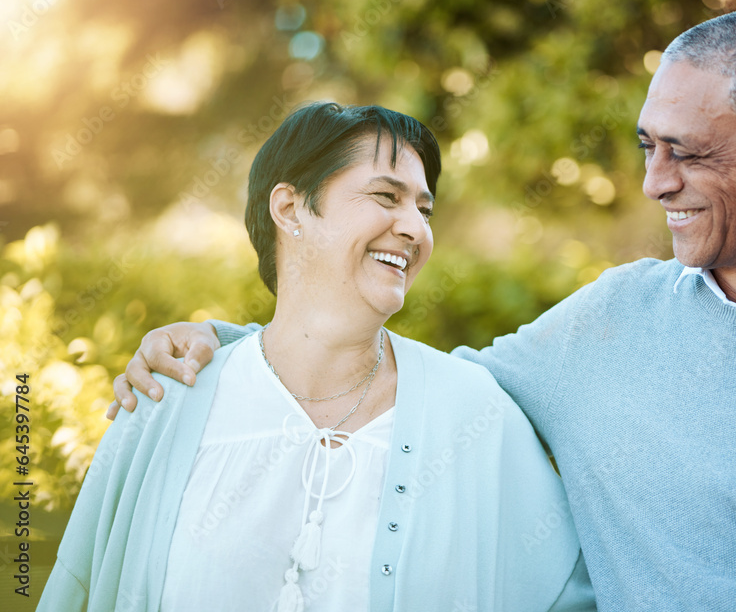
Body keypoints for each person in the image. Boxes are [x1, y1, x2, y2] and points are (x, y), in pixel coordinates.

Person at [111, 7, 736, 611]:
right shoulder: (610, 319)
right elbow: (418, 390)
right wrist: (230, 348)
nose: (656, 184)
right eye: (649, 148)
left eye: (686, 154)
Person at [40, 103, 595, 611]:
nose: (415, 229)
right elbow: (78, 588)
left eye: (424, 209)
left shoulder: (475, 414)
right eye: (386, 196)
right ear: (290, 208)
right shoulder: (168, 398)